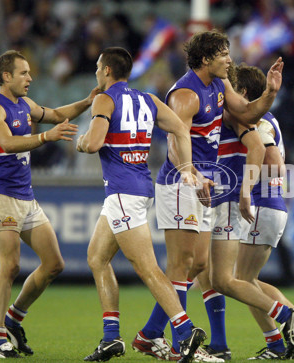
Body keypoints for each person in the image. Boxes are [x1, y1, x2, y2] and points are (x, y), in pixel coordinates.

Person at [130, 30, 293, 362]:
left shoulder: (221, 86)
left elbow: (247, 113)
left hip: (203, 184)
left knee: (200, 264)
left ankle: (148, 335)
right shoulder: (186, 94)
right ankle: (180, 346)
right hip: (179, 183)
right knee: (181, 264)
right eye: (223, 54)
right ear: (205, 59)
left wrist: (270, 94)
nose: (229, 59)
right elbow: (175, 143)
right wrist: (191, 172)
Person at [76, 47, 207, 363]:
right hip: (134, 190)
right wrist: (187, 166)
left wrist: (79, 142)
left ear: (107, 70)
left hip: (122, 193)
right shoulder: (148, 99)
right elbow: (179, 128)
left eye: (97, 66)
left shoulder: (105, 99)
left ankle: (185, 330)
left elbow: (92, 144)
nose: (96, 71)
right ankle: (111, 338)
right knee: (96, 257)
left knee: (147, 268)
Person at [0, 50, 98, 358]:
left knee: (55, 263)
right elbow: (7, 143)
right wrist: (46, 138)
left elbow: (57, 114)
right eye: (24, 73)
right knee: (11, 265)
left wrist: (88, 101)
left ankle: (13, 319)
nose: (30, 78)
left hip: (26, 197)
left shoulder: (25, 105)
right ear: (6, 76)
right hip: (1, 195)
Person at [208, 63, 294, 360]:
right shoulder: (266, 118)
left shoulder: (260, 122)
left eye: (232, 89)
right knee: (244, 280)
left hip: (261, 204)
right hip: (268, 205)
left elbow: (273, 162)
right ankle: (278, 340)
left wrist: (246, 184)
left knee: (236, 281)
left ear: (243, 92)